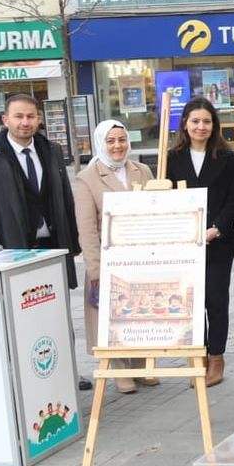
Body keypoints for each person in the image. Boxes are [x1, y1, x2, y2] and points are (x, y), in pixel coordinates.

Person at [0, 94, 87, 390]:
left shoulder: (51, 150)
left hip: (52, 249)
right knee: (17, 318)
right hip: (13, 250)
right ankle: (20, 379)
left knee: (57, 314)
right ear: (5, 120)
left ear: (39, 119)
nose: (25, 122)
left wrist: (73, 243)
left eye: (31, 116)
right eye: (18, 116)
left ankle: (65, 371)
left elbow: (64, 198)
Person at [73, 120, 153, 394]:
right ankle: (120, 369)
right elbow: (87, 228)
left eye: (121, 140)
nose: (117, 146)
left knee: (141, 311)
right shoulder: (88, 178)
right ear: (100, 143)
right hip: (109, 261)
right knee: (112, 317)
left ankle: (141, 364)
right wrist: (95, 270)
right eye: (111, 141)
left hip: (141, 259)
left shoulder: (142, 170)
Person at [166, 97, 234, 387]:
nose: (201, 127)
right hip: (185, 244)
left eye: (206, 121)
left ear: (214, 125)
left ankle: (217, 358)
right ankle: (198, 357)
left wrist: (216, 229)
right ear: (185, 123)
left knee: (216, 300)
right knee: (192, 303)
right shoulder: (171, 159)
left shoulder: (227, 158)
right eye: (195, 121)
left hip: (218, 242)